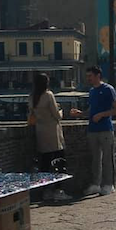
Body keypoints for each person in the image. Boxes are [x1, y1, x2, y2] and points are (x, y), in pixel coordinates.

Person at [70, 65, 116, 196]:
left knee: (107, 158)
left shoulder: (108, 89)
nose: (88, 79)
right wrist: (80, 113)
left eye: (90, 76)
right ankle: (96, 184)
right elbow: (92, 111)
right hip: (93, 129)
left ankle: (108, 184)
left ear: (98, 76)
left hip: (105, 129)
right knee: (95, 158)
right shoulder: (92, 91)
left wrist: (103, 115)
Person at [29, 74, 71, 202]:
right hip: (53, 133)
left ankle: (45, 191)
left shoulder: (32, 97)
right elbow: (56, 116)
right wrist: (61, 111)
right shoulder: (49, 95)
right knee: (59, 162)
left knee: (45, 164)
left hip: (41, 133)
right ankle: (58, 190)